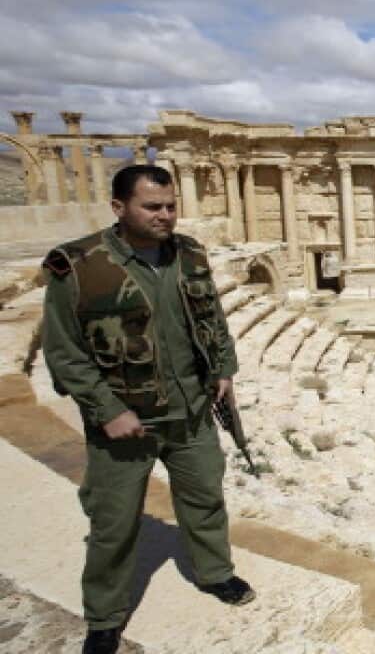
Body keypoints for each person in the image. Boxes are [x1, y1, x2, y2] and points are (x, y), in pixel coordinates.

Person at [41, 164, 255, 654]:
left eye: (171, 206)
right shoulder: (79, 265)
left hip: (192, 411)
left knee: (204, 500)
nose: (165, 215)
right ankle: (104, 617)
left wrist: (223, 370)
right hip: (127, 421)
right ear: (119, 208)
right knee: (114, 522)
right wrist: (107, 410)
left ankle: (215, 573)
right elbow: (64, 352)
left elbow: (212, 317)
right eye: (152, 207)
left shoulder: (189, 254)